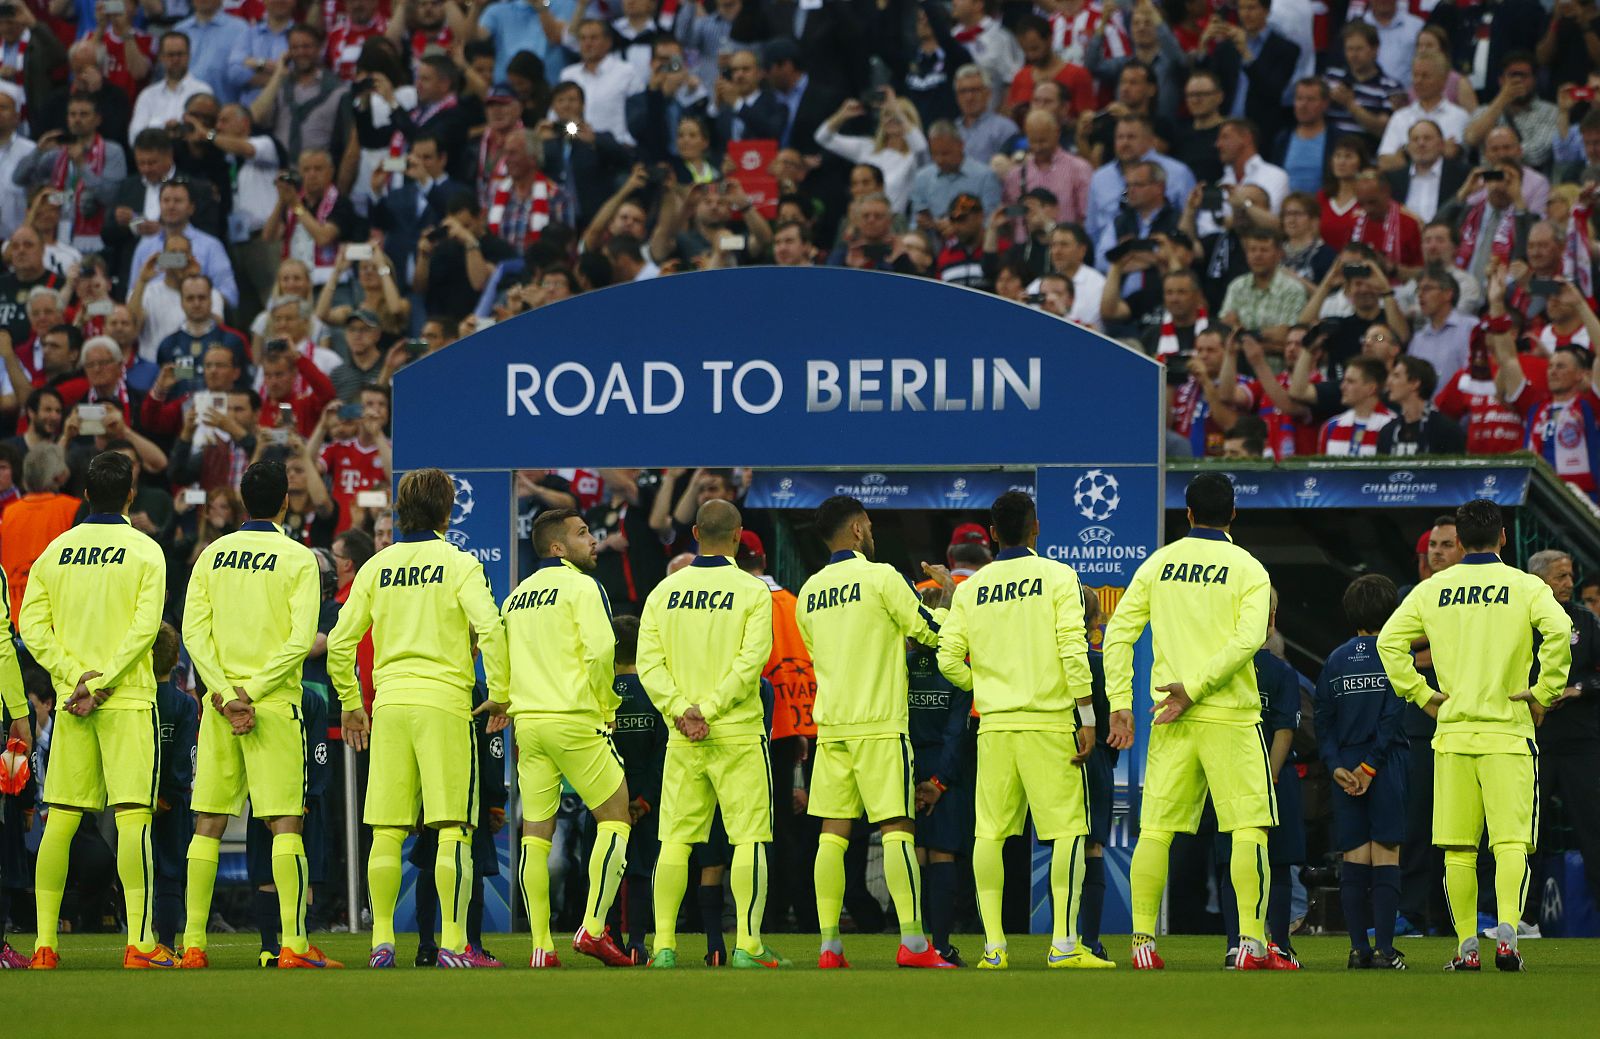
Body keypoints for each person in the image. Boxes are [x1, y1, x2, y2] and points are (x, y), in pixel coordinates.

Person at [1102, 472, 1290, 971]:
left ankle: (1142, 943)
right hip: (1228, 714)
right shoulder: (1249, 567)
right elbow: (1251, 639)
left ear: (1186, 513)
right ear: (1233, 515)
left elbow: (1117, 634)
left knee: (1157, 830)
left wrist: (1121, 700)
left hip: (1170, 714)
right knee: (1249, 828)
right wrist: (1200, 687)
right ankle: (1252, 945)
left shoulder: (1159, 564)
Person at [326, 467, 511, 969]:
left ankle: (381, 940)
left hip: (388, 705)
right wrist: (499, 692)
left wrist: (351, 702)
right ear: (448, 513)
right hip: (445, 704)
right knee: (451, 826)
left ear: (399, 510)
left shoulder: (376, 567)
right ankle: (453, 943)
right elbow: (491, 629)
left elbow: (340, 643)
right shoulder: (459, 563)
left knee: (386, 828)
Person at [1376, 498, 1570, 972]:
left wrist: (1420, 695)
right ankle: (1508, 938)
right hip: (1508, 734)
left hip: (1454, 735)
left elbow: (1387, 641)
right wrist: (1546, 690)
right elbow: (1561, 629)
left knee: (1458, 848)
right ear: (1503, 536)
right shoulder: (1525, 586)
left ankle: (1466, 945)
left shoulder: (1434, 588)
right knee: (1509, 843)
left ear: (1459, 543)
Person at [936, 490, 1108, 970]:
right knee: (1069, 832)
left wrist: (985, 687)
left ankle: (994, 948)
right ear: (1036, 527)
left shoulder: (971, 589)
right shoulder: (1058, 577)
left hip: (994, 726)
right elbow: (1075, 652)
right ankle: (1065, 945)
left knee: (989, 835)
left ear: (993, 534)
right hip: (1049, 723)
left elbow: (948, 657)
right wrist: (1088, 718)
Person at [177, 460, 336, 969]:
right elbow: (299, 638)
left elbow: (192, 634)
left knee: (208, 822)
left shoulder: (212, 556)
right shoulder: (297, 559)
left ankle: (194, 945)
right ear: (286, 500)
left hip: (219, 708)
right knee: (285, 822)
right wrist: (252, 692)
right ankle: (293, 945)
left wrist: (224, 693)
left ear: (244, 501)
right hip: (273, 706)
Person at [20, 451, 170, 970]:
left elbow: (30, 626)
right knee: (133, 819)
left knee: (59, 819)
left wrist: (72, 676)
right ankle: (141, 943)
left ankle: (44, 945)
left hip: (71, 700)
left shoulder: (56, 551)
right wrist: (102, 681)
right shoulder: (146, 551)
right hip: (125, 699)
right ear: (131, 493)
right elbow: (145, 629)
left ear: (85, 493)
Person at [796, 495, 955, 969]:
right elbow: (930, 632)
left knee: (832, 833)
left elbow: (822, 651)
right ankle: (914, 943)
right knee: (897, 829)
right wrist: (945, 597)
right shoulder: (883, 575)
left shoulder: (809, 591)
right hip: (880, 723)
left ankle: (829, 946)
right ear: (860, 529)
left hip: (834, 724)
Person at [636, 499, 782, 969]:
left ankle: (662, 945)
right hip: (736, 731)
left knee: (675, 839)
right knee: (748, 838)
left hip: (683, 736)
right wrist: (711, 709)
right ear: (739, 535)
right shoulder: (753, 591)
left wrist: (682, 711)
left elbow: (648, 666)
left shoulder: (664, 591)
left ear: (695, 532)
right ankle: (749, 946)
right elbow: (751, 662)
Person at [501, 507, 635, 968]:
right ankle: (594, 929)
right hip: (575, 717)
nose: (593, 539)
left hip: (530, 724)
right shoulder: (582, 586)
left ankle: (541, 945)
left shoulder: (515, 596)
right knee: (616, 817)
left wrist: (506, 700)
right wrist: (607, 704)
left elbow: (501, 655)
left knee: (535, 834)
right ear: (558, 547)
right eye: (582, 534)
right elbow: (601, 649)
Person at [1318, 574, 1409, 970]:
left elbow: (1322, 720)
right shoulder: (1394, 654)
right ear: (1391, 611)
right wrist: (1371, 766)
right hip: (1385, 763)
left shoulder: (1336, 659)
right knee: (1386, 851)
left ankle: (1358, 950)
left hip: (1346, 767)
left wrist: (1336, 765)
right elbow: (1393, 716)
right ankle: (1386, 950)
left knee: (1354, 853)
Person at [1525, 550, 1600, 918]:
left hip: (1580, 743)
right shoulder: (1519, 621)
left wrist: (1578, 689)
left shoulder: (1585, 621)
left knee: (1592, 828)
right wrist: (1532, 695)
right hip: (1533, 742)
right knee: (1527, 832)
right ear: (1538, 580)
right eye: (1561, 577)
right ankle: (1524, 917)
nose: (1569, 583)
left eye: (1570, 576)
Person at [606, 614, 667, 962]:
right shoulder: (656, 694)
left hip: (606, 800)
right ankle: (638, 943)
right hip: (646, 801)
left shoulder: (599, 693)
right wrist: (643, 800)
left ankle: (609, 938)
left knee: (607, 868)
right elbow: (663, 753)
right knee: (642, 872)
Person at [1377, 356, 1465, 456]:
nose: (1389, 382)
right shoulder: (1387, 432)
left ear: (1415, 383)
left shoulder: (1447, 431)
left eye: (1396, 376)